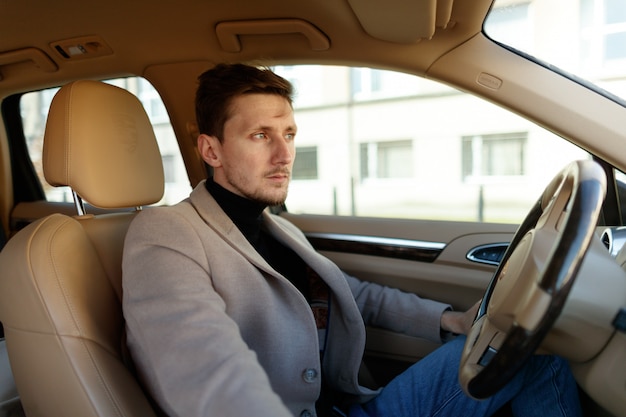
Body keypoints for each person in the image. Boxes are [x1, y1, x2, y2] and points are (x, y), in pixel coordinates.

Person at [122, 63, 582, 417]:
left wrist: (450, 321)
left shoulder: (278, 227)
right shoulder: (165, 232)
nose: (284, 155)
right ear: (211, 150)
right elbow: (203, 363)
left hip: (350, 408)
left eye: (288, 134)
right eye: (260, 136)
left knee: (531, 347)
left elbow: (355, 295)